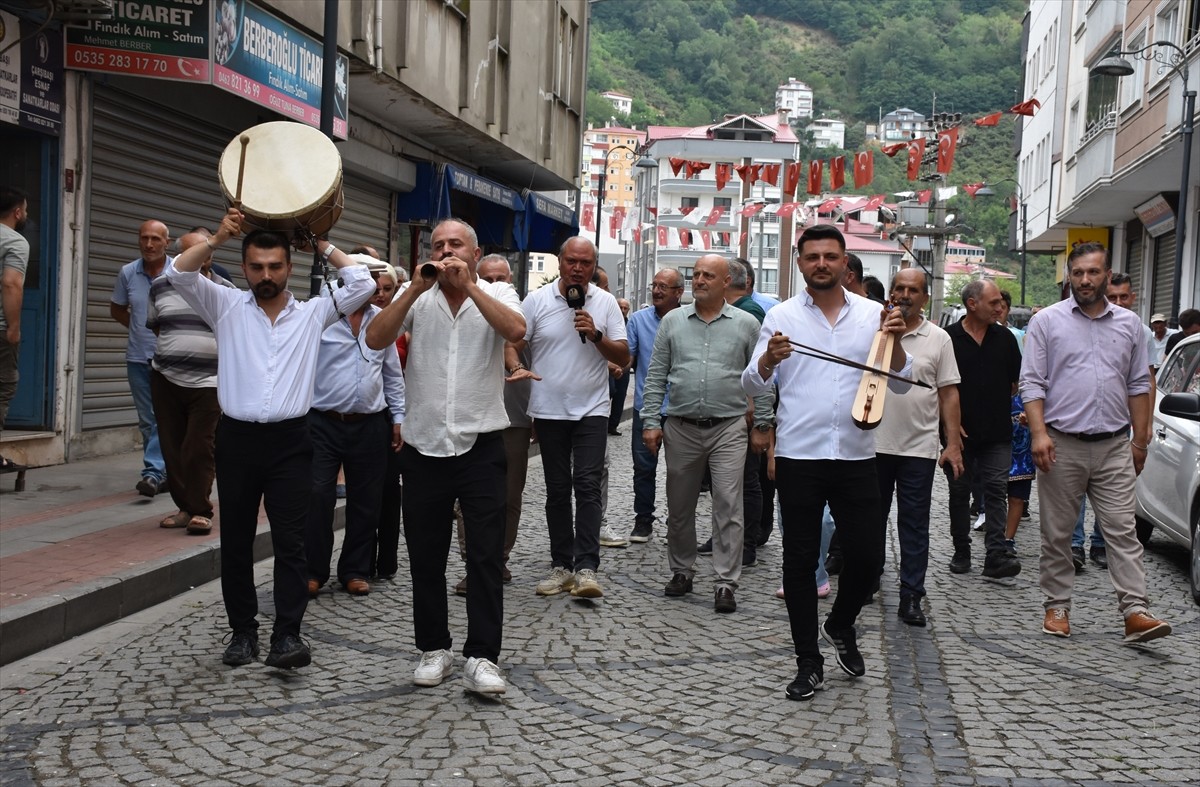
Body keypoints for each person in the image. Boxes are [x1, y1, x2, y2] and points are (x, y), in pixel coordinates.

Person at [168, 207, 375, 670]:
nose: (266, 275)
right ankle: (243, 633)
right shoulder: (223, 304)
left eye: (275, 266)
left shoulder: (314, 312)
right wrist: (220, 237)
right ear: (244, 269)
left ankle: (287, 636)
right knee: (237, 541)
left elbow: (362, 282)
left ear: (289, 267)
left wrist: (319, 244)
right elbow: (178, 272)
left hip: (292, 442)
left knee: (291, 543)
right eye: (257, 267)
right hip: (238, 439)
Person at [742, 224, 912, 701]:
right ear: (800, 263)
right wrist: (768, 363)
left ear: (844, 264)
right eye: (812, 256)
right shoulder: (780, 316)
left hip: (858, 455)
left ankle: (840, 624)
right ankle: (807, 661)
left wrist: (896, 342)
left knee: (868, 559)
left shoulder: (876, 315)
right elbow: (749, 386)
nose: (821, 263)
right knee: (798, 563)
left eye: (830, 256)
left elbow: (901, 383)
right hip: (800, 455)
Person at [365, 219, 525, 695]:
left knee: (484, 556)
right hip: (423, 445)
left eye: (456, 245)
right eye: (438, 245)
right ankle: (434, 647)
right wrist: (414, 288)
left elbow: (516, 329)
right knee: (426, 557)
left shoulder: (499, 295)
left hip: (480, 446)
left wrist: (471, 288)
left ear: (475, 254)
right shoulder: (418, 297)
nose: (447, 251)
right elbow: (375, 338)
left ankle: (482, 657)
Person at [1020, 242, 1171, 644]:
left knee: (1123, 531)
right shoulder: (1047, 322)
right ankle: (1057, 606)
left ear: (1107, 275)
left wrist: (1140, 440)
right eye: (1078, 272)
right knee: (1057, 531)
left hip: (1114, 445)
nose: (1085, 280)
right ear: (1069, 275)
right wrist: (1038, 433)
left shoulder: (1129, 325)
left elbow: (1140, 384)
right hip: (1061, 443)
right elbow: (1032, 383)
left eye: (1093, 272)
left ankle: (1135, 611)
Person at [642, 255, 773, 613]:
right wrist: (651, 420)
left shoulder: (747, 324)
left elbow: (763, 378)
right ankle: (682, 570)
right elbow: (656, 375)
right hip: (681, 427)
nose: (699, 280)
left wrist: (762, 424)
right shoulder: (673, 321)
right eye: (696, 274)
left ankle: (726, 582)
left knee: (729, 504)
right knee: (679, 507)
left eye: (707, 275)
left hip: (729, 426)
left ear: (726, 280)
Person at [517, 237, 629, 600]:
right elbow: (515, 340)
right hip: (549, 408)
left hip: (592, 409)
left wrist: (595, 335)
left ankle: (586, 569)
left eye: (585, 263)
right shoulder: (537, 301)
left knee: (587, 484)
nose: (578, 269)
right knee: (557, 489)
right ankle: (561, 564)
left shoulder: (605, 302)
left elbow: (623, 356)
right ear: (560, 263)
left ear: (593, 266)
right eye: (571, 261)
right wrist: (516, 367)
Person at [305, 255, 406, 599]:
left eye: (379, 285)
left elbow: (392, 374)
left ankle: (355, 569)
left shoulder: (383, 321)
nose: (376, 292)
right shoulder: (321, 314)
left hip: (369, 424)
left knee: (366, 500)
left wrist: (398, 419)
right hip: (322, 421)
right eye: (370, 283)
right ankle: (313, 569)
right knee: (317, 494)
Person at [874, 268, 964, 626]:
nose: (905, 295)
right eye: (900, 288)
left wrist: (953, 442)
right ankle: (866, 582)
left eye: (913, 290)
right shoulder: (874, 330)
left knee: (914, 524)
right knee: (869, 520)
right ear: (891, 293)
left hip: (918, 448)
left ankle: (911, 594)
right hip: (872, 443)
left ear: (925, 298)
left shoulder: (939, 338)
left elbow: (949, 392)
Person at [452, 254, 533, 594]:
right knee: (465, 499)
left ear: (511, 281)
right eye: (489, 278)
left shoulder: (515, 309)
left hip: (513, 416)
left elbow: (514, 342)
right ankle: (474, 562)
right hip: (472, 418)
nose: (496, 284)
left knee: (509, 495)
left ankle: (499, 558)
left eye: (502, 279)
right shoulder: (462, 308)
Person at [145, 230, 234, 534]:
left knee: (198, 446)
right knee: (172, 447)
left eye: (201, 252)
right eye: (186, 253)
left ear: (210, 256)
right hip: (166, 378)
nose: (196, 258)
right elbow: (158, 327)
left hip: (210, 381)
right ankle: (185, 507)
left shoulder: (225, 290)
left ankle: (201, 510)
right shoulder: (159, 286)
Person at [944, 279, 1023, 582]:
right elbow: (939, 389)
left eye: (1000, 303)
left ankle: (996, 554)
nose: (999, 307)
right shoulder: (948, 339)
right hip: (959, 436)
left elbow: (1015, 383)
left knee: (995, 491)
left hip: (997, 433)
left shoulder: (1004, 339)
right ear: (972, 304)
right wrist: (949, 425)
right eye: (993, 303)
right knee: (959, 492)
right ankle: (961, 550)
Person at [623, 268, 684, 544]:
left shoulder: (688, 321)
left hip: (680, 409)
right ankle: (643, 519)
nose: (657, 291)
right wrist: (618, 365)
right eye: (654, 285)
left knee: (681, 471)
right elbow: (629, 356)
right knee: (643, 467)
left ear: (679, 292)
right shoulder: (637, 320)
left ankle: (678, 521)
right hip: (646, 407)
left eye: (664, 286)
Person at [111, 220, 171, 497]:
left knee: (163, 417)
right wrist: (140, 327)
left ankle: (153, 472)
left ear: (166, 243)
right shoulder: (128, 273)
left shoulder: (178, 270)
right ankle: (163, 472)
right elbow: (117, 309)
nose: (149, 244)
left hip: (171, 358)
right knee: (148, 420)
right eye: (144, 238)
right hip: (137, 357)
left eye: (155, 239)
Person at [366, 260, 405, 580]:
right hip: (373, 412)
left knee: (389, 491)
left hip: (398, 413)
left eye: (387, 289)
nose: (380, 295)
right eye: (374, 289)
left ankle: (386, 559)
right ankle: (361, 560)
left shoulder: (405, 319)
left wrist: (399, 415)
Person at [0, 187, 29, 467]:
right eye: (26, 209)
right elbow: (11, 283)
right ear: (17, 212)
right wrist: (13, 327)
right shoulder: (15, 241)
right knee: (3, 386)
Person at [607, 298, 633, 436]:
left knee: (620, 396)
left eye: (625, 308)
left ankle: (613, 425)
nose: (622, 310)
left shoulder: (631, 325)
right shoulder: (608, 321)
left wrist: (625, 367)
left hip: (624, 367)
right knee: (609, 391)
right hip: (607, 366)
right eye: (620, 307)